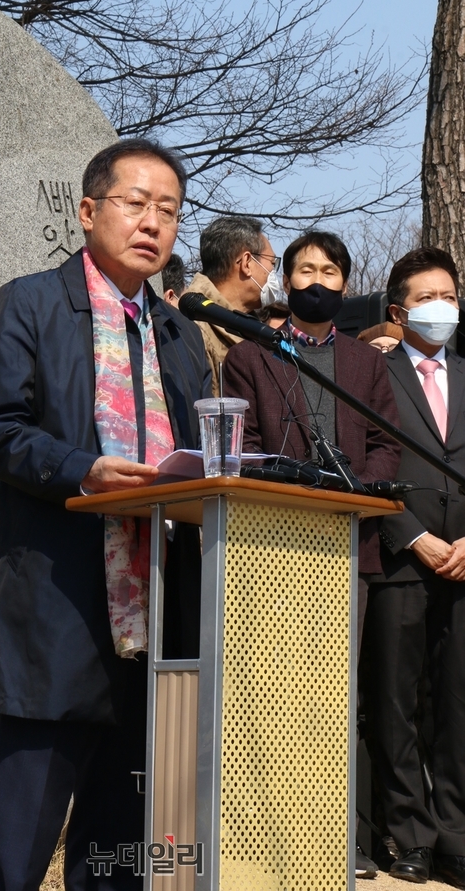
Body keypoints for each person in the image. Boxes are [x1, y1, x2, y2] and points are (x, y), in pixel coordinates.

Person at [0, 137, 211, 891]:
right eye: (135, 203)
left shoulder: (179, 331)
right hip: (61, 610)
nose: (152, 223)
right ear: (87, 210)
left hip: (159, 619)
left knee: (119, 854)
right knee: (21, 846)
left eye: (168, 211)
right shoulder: (33, 302)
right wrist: (85, 470)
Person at [223, 229, 401, 880]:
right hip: (274, 548)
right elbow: (242, 443)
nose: (317, 279)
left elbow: (386, 442)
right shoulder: (250, 356)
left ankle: (337, 839)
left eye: (329, 269)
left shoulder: (366, 363)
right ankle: (269, 840)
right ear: (286, 281)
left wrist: (358, 484)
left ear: (346, 284)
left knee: (337, 699)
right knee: (274, 698)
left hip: (347, 547)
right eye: (304, 269)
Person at [366, 247, 465, 888]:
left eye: (451, 298)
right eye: (428, 299)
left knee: (459, 703)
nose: (443, 309)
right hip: (402, 555)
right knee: (396, 700)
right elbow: (365, 459)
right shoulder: (371, 372)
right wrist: (413, 535)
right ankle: (409, 835)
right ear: (400, 311)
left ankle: (457, 835)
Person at [182, 215, 280, 394]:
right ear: (247, 263)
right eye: (273, 263)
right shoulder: (192, 329)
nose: (274, 273)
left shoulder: (253, 329)